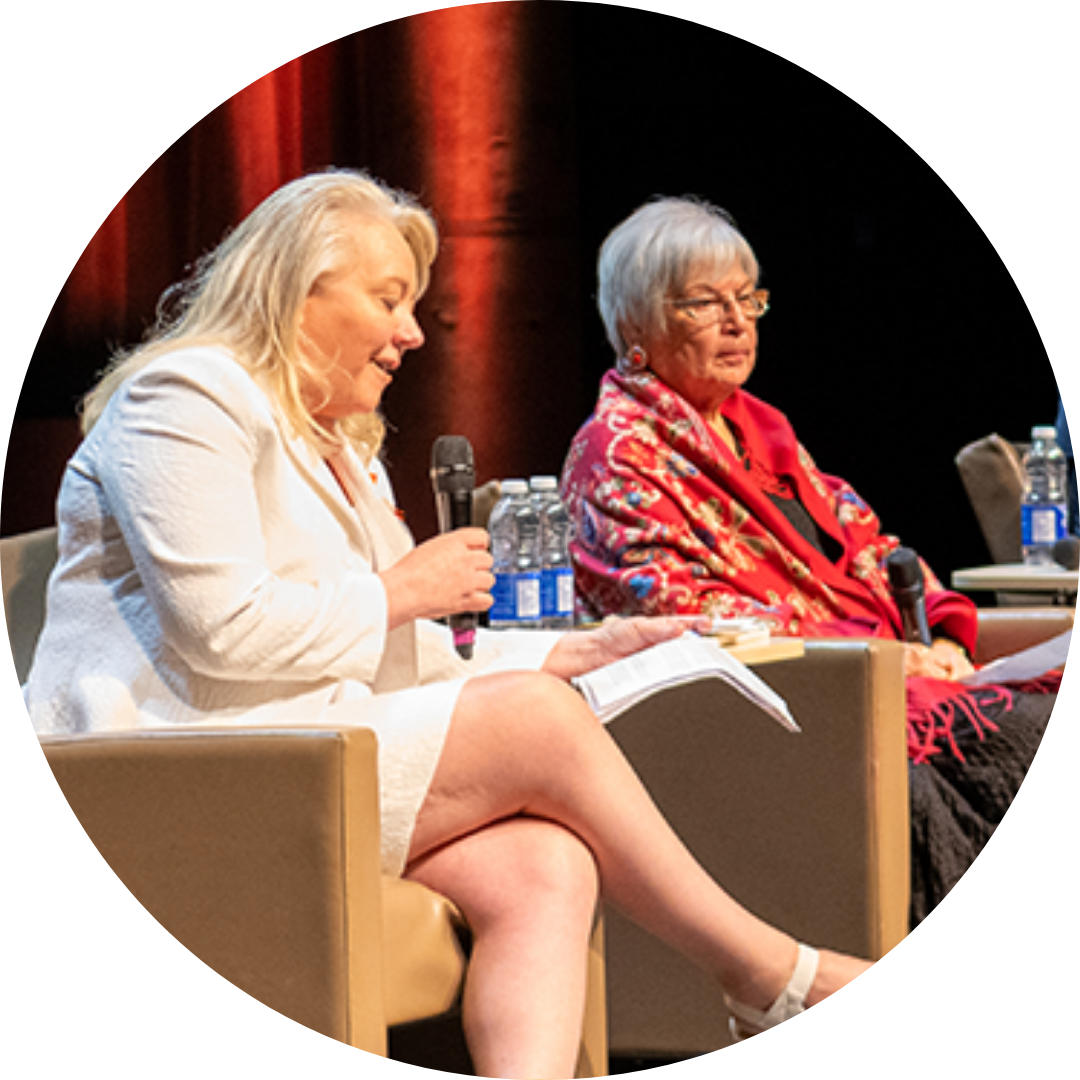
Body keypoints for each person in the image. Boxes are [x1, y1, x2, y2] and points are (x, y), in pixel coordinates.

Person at [23, 170, 872, 1078]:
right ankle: (767, 974)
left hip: (306, 747)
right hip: (168, 764)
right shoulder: (185, 397)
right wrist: (403, 589)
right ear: (295, 287)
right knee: (539, 724)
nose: (413, 333)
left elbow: (404, 654)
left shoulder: (341, 444)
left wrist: (574, 649)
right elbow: (220, 632)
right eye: (388, 300)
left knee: (543, 861)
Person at [561, 195, 1063, 927]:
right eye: (707, 302)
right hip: (777, 710)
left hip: (882, 678)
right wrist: (882, 661)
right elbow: (682, 617)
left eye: (748, 298)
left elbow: (873, 546)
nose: (738, 322)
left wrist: (947, 637)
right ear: (636, 326)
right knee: (1011, 739)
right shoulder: (617, 451)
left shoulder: (757, 427)